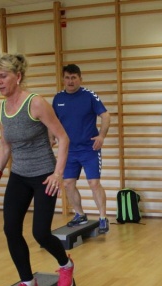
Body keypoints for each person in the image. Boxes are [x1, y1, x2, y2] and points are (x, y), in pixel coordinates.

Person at [0, 53, 75, 286]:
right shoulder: (1, 109)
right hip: (19, 175)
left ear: (18, 76)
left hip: (44, 175)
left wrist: (57, 174)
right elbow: (5, 145)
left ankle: (65, 265)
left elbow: (63, 137)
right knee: (10, 229)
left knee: (40, 233)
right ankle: (28, 283)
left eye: (3, 76)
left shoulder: (36, 103)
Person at [51, 64, 111, 234]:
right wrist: (51, 137)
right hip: (68, 150)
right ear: (63, 79)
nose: (70, 81)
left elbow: (105, 116)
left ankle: (102, 217)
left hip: (89, 148)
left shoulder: (89, 96)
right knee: (68, 183)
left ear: (80, 79)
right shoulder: (58, 98)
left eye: (74, 78)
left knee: (94, 183)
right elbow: (52, 121)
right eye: (67, 78)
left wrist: (101, 136)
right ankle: (80, 214)